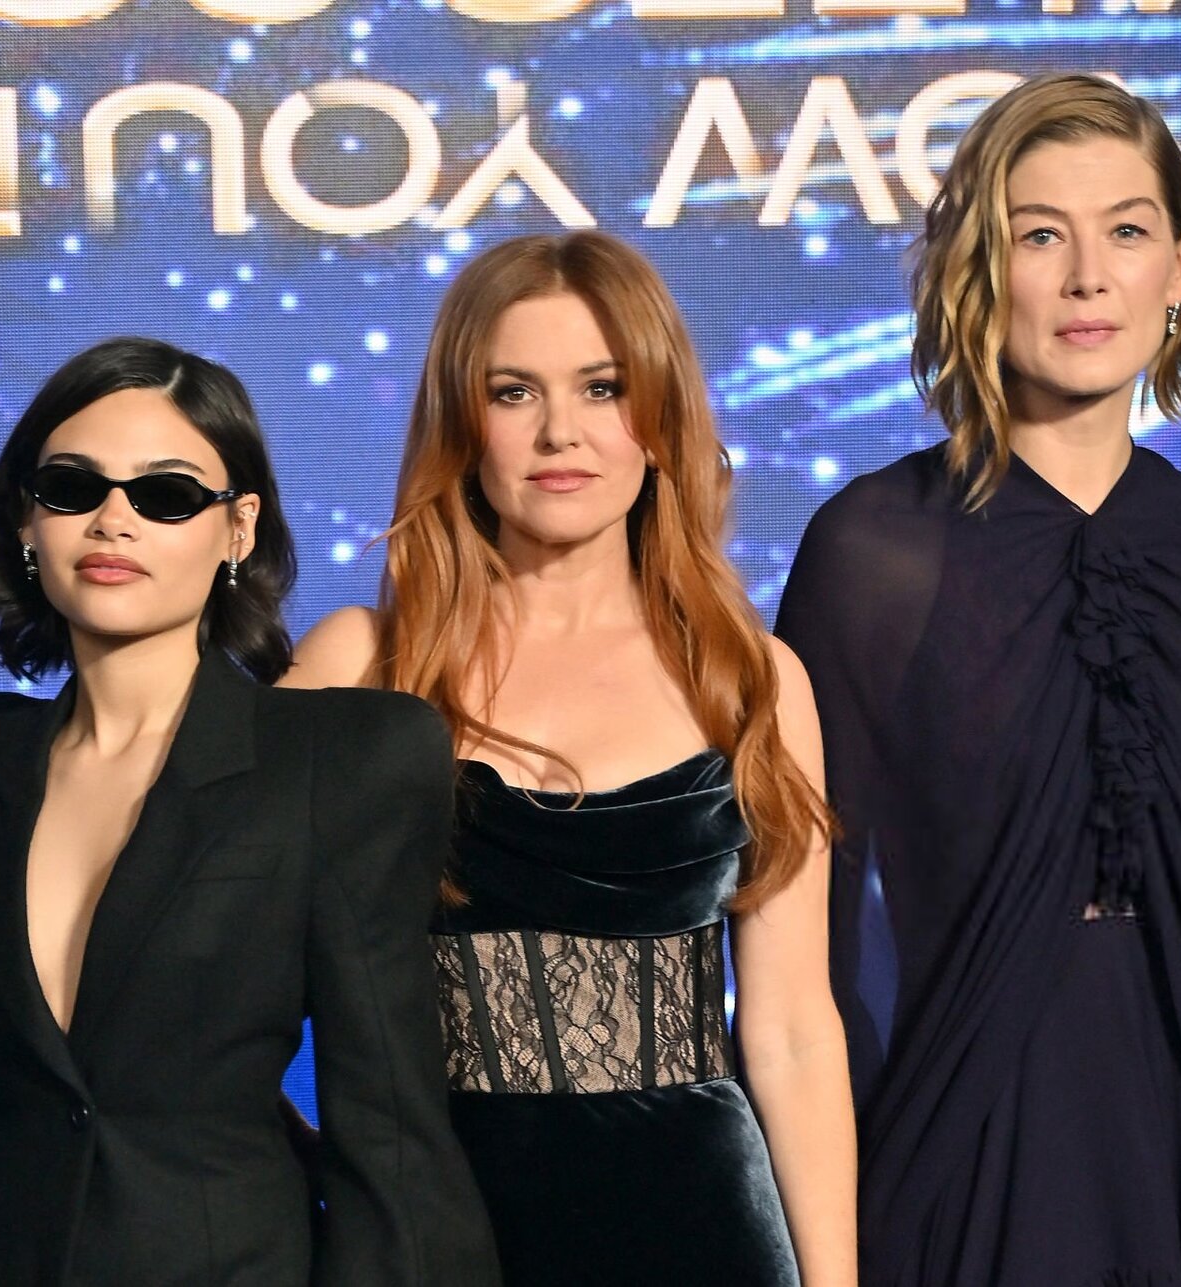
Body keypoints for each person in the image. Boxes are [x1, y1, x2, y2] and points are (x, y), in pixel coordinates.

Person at [774, 73, 1181, 1287]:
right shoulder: (873, 548)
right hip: (976, 1144)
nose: (1087, 279)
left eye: (1126, 231)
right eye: (1039, 236)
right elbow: (807, 944)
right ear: (979, 267)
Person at [0, 336, 498, 1286]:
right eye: (72, 487)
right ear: (27, 520)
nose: (114, 520)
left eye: (167, 495)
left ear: (238, 528)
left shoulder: (342, 760)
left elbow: (388, 1129)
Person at [282, 231, 857, 1286]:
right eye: (514, 392)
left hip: (705, 1232)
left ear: (660, 417)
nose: (561, 432)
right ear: (463, 425)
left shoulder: (750, 679)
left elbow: (791, 1032)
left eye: (603, 388)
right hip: (441, 1237)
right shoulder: (362, 666)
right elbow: (211, 984)